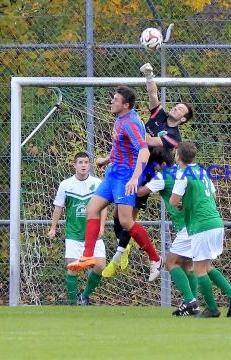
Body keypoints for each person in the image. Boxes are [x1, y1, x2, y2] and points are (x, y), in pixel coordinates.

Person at [103, 63, 194, 277]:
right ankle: (123, 248)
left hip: (147, 174)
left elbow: (147, 141)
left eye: (182, 109)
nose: (177, 108)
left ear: (182, 119)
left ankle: (129, 253)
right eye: (177, 105)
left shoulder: (174, 137)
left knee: (128, 216)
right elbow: (153, 94)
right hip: (132, 166)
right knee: (118, 215)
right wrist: (149, 75)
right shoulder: (159, 115)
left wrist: (126, 129)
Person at [67, 86, 162, 281]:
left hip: (125, 176)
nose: (112, 102)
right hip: (113, 173)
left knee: (126, 221)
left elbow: (143, 151)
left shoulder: (132, 123)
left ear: (125, 105)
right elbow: (121, 147)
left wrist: (135, 178)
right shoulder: (120, 120)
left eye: (116, 100)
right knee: (92, 209)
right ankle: (87, 256)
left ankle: (155, 258)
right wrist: (107, 159)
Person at [169, 142, 231, 318]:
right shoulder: (203, 172)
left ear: (178, 157)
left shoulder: (182, 174)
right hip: (216, 222)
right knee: (207, 266)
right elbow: (214, 195)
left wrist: (183, 203)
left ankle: (212, 309)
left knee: (199, 269)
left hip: (201, 225)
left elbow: (173, 201)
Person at [135, 147, 199, 316]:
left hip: (186, 227)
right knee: (188, 266)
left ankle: (190, 301)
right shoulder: (182, 170)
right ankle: (194, 305)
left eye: (155, 167)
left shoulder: (163, 176)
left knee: (170, 263)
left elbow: (140, 191)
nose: (154, 170)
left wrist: (130, 181)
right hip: (197, 223)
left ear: (162, 164)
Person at [48, 152, 107, 305]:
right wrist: (53, 227)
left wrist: (101, 225)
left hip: (93, 235)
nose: (83, 165)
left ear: (89, 165)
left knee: (101, 265)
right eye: (80, 162)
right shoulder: (66, 184)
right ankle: (73, 304)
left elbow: (104, 207)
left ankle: (85, 296)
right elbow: (58, 207)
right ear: (75, 165)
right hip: (74, 234)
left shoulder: (97, 183)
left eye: (86, 162)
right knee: (72, 267)